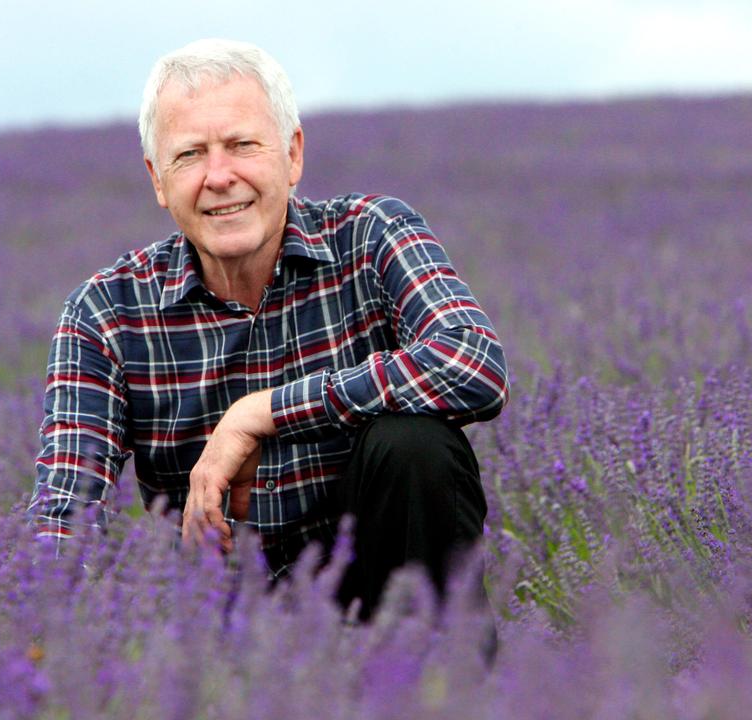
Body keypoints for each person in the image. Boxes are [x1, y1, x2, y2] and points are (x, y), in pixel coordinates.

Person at [27, 39, 508, 620]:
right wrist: (46, 632)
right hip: (222, 629)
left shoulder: (371, 236)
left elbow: (473, 360)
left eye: (241, 145)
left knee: (415, 446)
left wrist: (264, 413)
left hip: (389, 602)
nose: (219, 176)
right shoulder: (106, 313)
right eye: (189, 156)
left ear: (293, 154)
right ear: (158, 180)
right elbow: (68, 508)